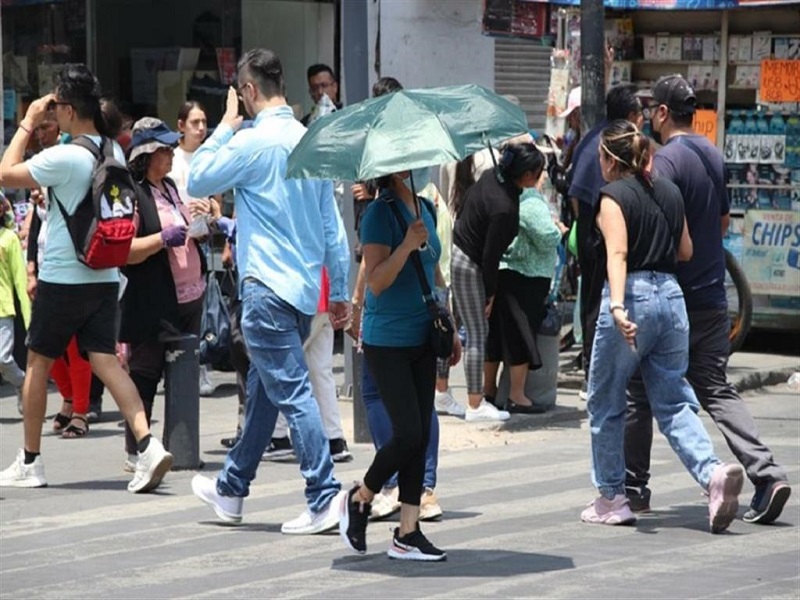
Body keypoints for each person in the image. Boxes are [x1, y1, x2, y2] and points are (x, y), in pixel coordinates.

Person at [187, 49, 350, 534]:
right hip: (301, 293)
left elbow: (198, 176)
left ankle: (323, 495)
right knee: (264, 391)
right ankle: (232, 488)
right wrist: (338, 287)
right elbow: (332, 226)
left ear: (250, 91)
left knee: (292, 392)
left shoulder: (255, 142)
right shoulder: (307, 139)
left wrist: (225, 126)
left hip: (265, 290)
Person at [624, 74, 791, 523]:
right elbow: (719, 224)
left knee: (638, 392)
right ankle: (767, 475)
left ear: (661, 113)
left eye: (650, 110)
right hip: (713, 296)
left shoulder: (664, 162)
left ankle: (634, 488)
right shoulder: (713, 154)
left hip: (674, 296)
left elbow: (658, 231)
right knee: (715, 387)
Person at [0, 63, 172, 492]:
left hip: (63, 275)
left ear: (69, 109)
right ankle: (148, 446)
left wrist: (27, 121)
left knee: (38, 361)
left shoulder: (64, 155)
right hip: (105, 274)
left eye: (55, 105)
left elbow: (5, 173)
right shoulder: (109, 149)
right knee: (107, 362)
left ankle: (31, 461)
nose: (51, 112)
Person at [582, 119, 743, 533]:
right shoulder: (669, 192)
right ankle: (712, 474)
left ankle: (612, 497)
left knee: (605, 400)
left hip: (632, 296)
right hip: (673, 297)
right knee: (672, 399)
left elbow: (617, 254)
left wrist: (617, 307)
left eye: (600, 155)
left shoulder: (611, 197)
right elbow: (685, 249)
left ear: (610, 158)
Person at [339, 167, 460, 562]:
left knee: (421, 433)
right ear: (394, 169)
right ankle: (361, 497)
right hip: (386, 339)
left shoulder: (424, 206)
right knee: (407, 433)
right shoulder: (378, 214)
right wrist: (407, 244)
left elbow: (434, 271)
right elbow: (375, 280)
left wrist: (450, 322)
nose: (419, 168)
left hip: (424, 334)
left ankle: (408, 532)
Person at [120, 117, 211, 472]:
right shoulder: (134, 193)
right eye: (163, 150)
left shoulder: (171, 187)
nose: (171, 154)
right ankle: (137, 450)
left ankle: (181, 446)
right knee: (145, 373)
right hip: (154, 301)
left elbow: (185, 226)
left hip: (190, 294)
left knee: (184, 372)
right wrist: (162, 239)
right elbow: (126, 249)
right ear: (146, 155)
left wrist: (201, 226)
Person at [451, 142, 546, 422]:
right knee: (478, 332)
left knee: (465, 329)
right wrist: (489, 293)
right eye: (539, 171)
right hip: (470, 263)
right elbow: (491, 255)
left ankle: (452, 392)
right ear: (527, 175)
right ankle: (475, 403)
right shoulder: (503, 205)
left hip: (463, 254)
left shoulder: (495, 176)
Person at [568, 84, 644, 399]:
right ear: (629, 116)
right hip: (599, 235)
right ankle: (594, 375)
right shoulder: (612, 144)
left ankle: (597, 374)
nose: (644, 120)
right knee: (599, 305)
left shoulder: (594, 136)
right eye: (641, 114)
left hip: (591, 230)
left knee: (595, 302)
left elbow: (575, 192)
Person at [484, 147, 566, 413]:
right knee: (519, 337)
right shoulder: (529, 201)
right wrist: (558, 230)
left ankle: (490, 391)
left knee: (496, 336)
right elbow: (545, 236)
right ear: (531, 174)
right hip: (526, 277)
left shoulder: (502, 192)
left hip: (505, 273)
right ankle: (517, 395)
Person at [263, 268, 354, 463]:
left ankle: (277, 436)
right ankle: (334, 438)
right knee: (321, 371)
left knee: (283, 365)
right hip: (326, 294)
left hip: (301, 295)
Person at [168, 100, 221, 397]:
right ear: (181, 125)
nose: (201, 128)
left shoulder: (209, 157)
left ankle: (202, 362)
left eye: (203, 122)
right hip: (176, 238)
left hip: (202, 237)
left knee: (202, 303)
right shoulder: (172, 159)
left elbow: (218, 199)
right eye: (194, 123)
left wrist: (211, 209)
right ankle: (177, 360)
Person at [0, 196, 29, 414]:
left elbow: (20, 280)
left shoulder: (9, 238)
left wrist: (28, 319)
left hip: (3, 308)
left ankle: (22, 383)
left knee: (2, 358)